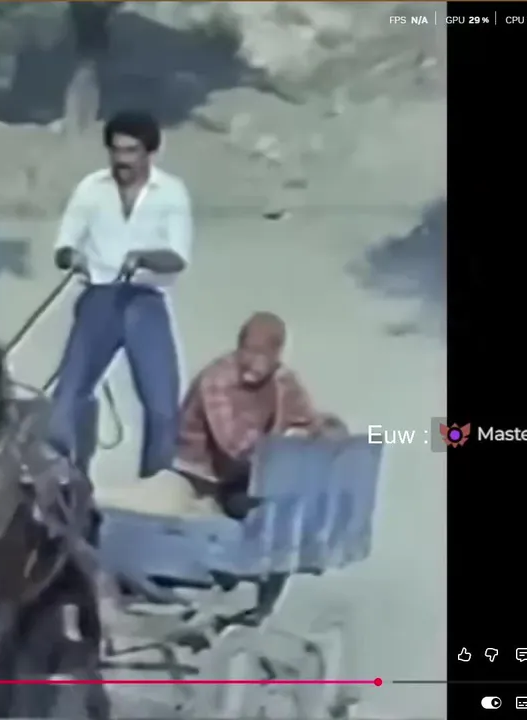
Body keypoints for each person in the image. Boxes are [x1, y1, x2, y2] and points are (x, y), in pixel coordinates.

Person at [48, 110, 193, 478]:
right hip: (100, 296)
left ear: (150, 152)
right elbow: (64, 244)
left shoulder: (171, 192)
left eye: (131, 151)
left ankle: (156, 484)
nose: (121, 160)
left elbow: (178, 257)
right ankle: (65, 477)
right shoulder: (91, 187)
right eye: (116, 150)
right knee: (68, 396)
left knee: (162, 404)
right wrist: (72, 257)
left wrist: (144, 257)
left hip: (145, 299)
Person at [173, 311, 347, 519]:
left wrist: (328, 434)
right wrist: (287, 441)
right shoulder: (217, 380)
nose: (252, 362)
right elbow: (236, 447)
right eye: (248, 351)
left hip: (251, 474)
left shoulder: (281, 380)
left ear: (277, 355)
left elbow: (309, 421)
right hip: (205, 479)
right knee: (265, 507)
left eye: (261, 354)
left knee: (313, 491)